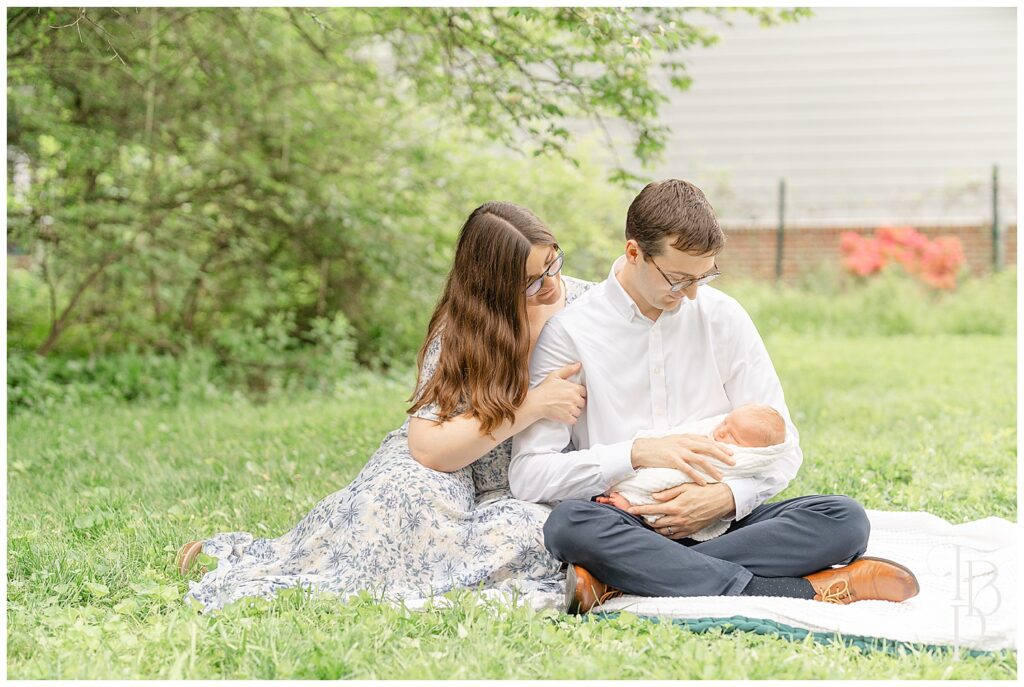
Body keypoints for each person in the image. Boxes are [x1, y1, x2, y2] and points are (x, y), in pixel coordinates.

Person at [509, 179, 919, 614]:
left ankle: (618, 581)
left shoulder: (724, 317)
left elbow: (783, 445)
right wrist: (636, 453)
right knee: (569, 526)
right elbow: (530, 474)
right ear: (634, 253)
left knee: (844, 520)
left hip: (725, 522)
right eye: (678, 278)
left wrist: (724, 498)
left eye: (703, 276)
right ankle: (802, 593)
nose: (691, 294)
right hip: (627, 517)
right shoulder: (571, 333)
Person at [177, 201, 594, 612]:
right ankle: (289, 563)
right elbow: (429, 450)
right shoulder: (462, 331)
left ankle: (441, 577)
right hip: (450, 461)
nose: (552, 284)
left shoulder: (589, 309)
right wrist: (530, 407)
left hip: (530, 485)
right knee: (389, 503)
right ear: (493, 287)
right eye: (532, 282)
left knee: (530, 533)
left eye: (553, 264)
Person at [598, 404, 793, 542]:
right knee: (574, 517)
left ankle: (633, 507)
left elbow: (779, 466)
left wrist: (730, 496)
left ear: (753, 451)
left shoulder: (742, 460)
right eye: (725, 423)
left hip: (710, 518)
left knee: (821, 511)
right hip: (610, 488)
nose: (721, 431)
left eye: (733, 436)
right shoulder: (709, 433)